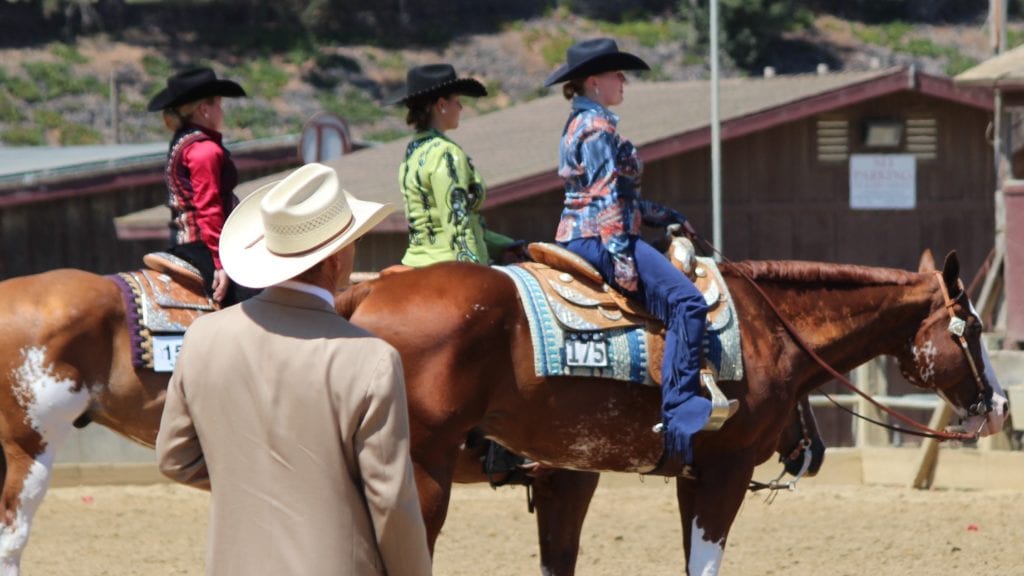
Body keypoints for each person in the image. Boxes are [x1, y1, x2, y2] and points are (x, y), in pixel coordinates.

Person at [155, 163, 433, 576]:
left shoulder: (202, 337)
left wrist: (251, 484)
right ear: (337, 258)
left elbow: (175, 458)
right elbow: (390, 499)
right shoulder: (369, 358)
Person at [545, 38, 718, 467]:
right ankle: (678, 412)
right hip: (603, 239)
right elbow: (607, 200)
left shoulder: (577, 124)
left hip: (579, 234)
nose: (623, 80)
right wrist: (623, 260)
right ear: (593, 81)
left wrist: (666, 216)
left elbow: (615, 198)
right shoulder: (599, 129)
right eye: (616, 73)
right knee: (688, 303)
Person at [391, 63, 523, 266]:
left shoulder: (412, 151)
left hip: (415, 261)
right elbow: (457, 222)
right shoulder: (446, 153)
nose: (460, 108)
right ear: (442, 105)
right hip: (449, 262)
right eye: (457, 101)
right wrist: (473, 268)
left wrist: (503, 244)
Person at [148, 66, 251, 305]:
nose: (221, 111)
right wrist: (219, 262)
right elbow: (209, 207)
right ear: (205, 109)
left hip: (189, 242)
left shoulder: (184, 142)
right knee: (256, 300)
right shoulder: (205, 150)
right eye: (218, 104)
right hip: (204, 246)